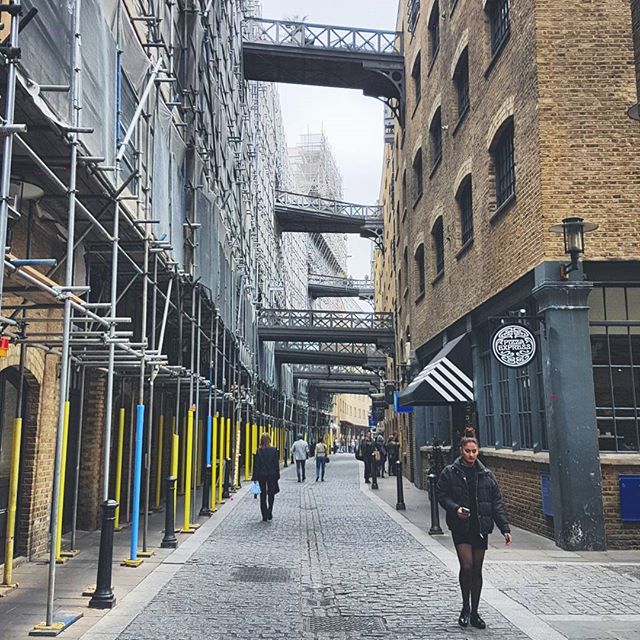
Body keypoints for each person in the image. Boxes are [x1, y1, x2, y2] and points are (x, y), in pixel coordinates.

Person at [436, 427, 512, 630]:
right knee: (467, 566)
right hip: (461, 526)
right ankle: (465, 608)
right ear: (461, 450)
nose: (471, 454)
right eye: (468, 451)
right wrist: (455, 509)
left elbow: (496, 503)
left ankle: (476, 612)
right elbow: (441, 495)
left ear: (478, 451)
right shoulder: (450, 472)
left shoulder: (486, 475)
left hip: (480, 526)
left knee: (477, 570)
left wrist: (504, 528)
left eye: (474, 451)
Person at [251, 432, 280, 522]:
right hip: (272, 474)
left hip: (261, 475)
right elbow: (276, 464)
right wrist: (277, 475)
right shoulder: (274, 450)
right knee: (271, 493)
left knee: (262, 495)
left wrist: (254, 477)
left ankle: (264, 514)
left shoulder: (258, 451)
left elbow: (256, 465)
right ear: (269, 440)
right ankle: (270, 511)